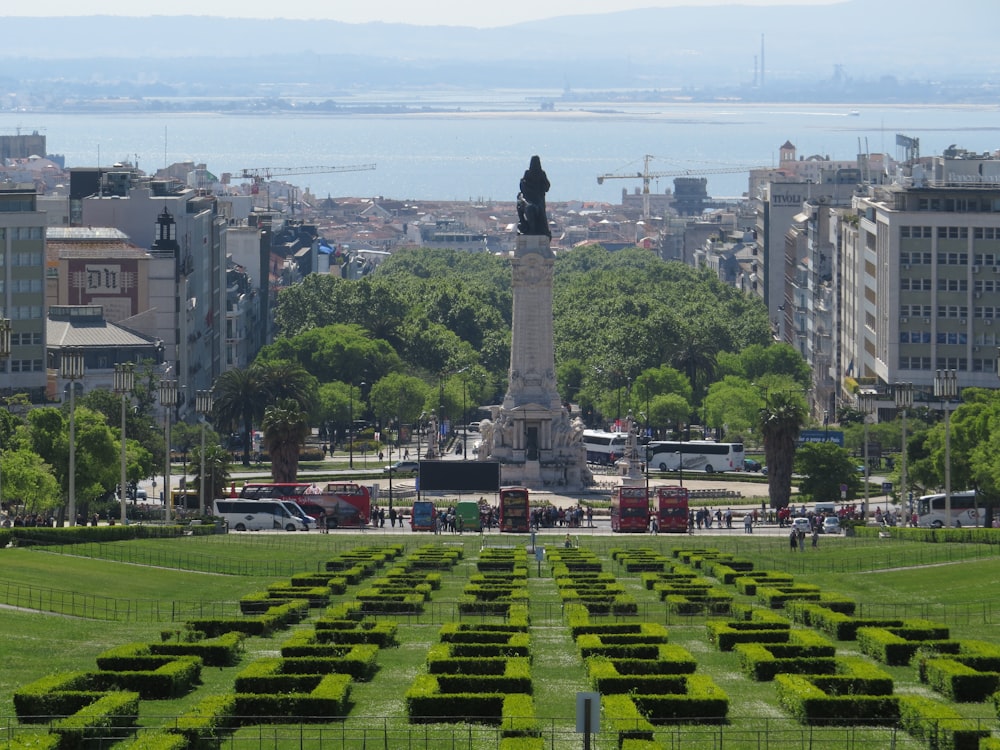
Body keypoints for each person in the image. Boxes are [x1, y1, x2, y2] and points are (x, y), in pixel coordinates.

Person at [516, 155, 551, 237]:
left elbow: (523, 186)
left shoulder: (528, 173)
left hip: (532, 199)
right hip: (537, 199)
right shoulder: (541, 173)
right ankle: (523, 223)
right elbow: (547, 186)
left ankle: (523, 222)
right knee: (521, 206)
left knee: (520, 206)